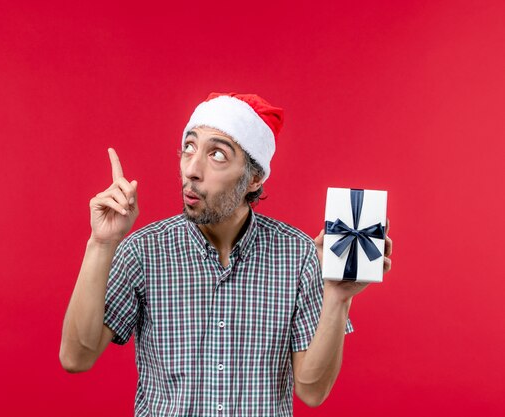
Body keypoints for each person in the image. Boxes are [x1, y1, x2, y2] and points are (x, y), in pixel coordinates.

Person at [59, 93, 393, 416]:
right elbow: (76, 358)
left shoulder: (299, 254)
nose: (192, 169)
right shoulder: (143, 251)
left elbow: (312, 390)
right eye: (188, 148)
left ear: (254, 177)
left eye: (216, 155)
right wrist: (101, 243)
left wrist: (338, 297)